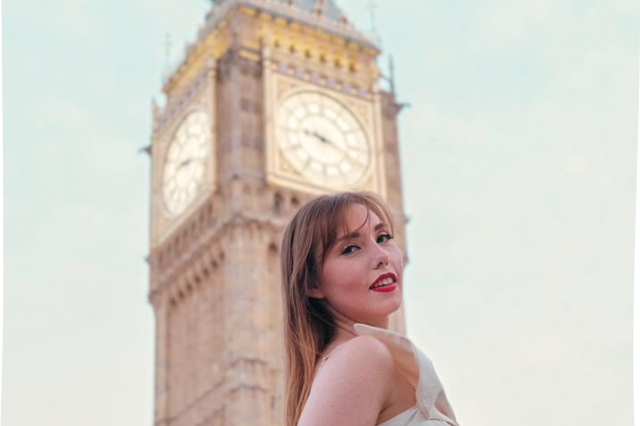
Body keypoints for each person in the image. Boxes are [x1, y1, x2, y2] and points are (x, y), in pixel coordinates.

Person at [280, 191, 460, 426]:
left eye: (383, 237)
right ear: (313, 283)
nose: (381, 256)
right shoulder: (363, 356)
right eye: (351, 248)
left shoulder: (368, 358)